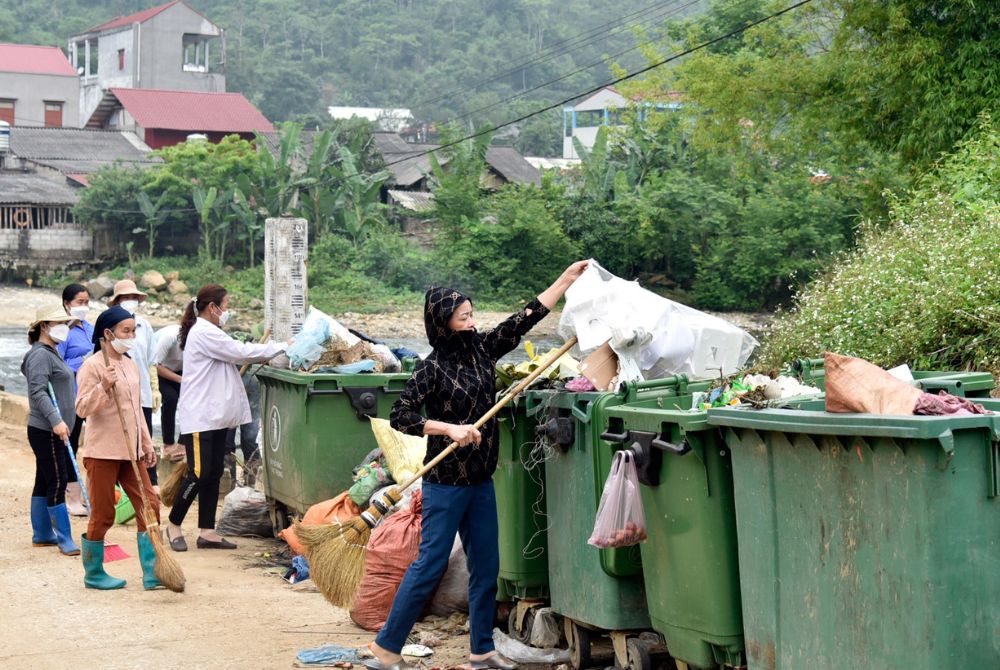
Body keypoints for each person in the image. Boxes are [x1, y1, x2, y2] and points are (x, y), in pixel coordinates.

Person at [370, 260, 590, 670]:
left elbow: (522, 319)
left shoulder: (481, 350)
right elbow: (400, 415)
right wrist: (449, 429)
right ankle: (385, 648)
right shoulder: (431, 368)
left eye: (472, 315)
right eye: (463, 317)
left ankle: (482, 650)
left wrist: (564, 279)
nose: (472, 322)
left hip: (481, 479)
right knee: (431, 563)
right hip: (446, 484)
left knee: (487, 566)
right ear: (444, 323)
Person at [166, 284, 286, 551]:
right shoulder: (204, 332)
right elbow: (241, 352)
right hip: (200, 416)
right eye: (226, 306)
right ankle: (173, 525)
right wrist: (280, 347)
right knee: (198, 473)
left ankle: (207, 531)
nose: (227, 311)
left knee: (213, 472)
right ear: (212, 308)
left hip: (216, 416)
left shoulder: (211, 331)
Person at [74, 306, 161, 590]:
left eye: (134, 330)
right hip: (103, 453)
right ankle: (94, 573)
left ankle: (153, 571)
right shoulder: (93, 366)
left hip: (132, 452)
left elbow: (137, 410)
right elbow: (82, 408)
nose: (132, 336)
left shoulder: (130, 363)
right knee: (103, 514)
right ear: (108, 333)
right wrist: (103, 387)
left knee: (150, 505)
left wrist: (147, 444)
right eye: (127, 331)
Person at [21, 305, 80, 556]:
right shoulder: (40, 355)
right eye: (59, 322)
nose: (64, 327)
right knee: (57, 478)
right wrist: (56, 420)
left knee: (44, 478)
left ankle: (43, 533)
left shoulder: (50, 351)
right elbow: (37, 391)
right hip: (48, 429)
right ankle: (64, 537)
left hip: (53, 429)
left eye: (66, 323)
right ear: (44, 325)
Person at [107, 280, 160, 492]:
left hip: (143, 392)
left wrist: (155, 387)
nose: (131, 301)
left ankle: (151, 481)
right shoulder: (109, 326)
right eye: (126, 298)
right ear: (118, 301)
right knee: (120, 438)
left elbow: (151, 360)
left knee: (145, 437)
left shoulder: (144, 326)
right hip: (119, 392)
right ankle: (120, 485)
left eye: (133, 298)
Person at [56, 283, 93, 517]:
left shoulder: (92, 328)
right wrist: (83, 364)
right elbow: (56, 365)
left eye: (86, 302)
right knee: (71, 442)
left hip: (95, 394)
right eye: (79, 302)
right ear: (67, 304)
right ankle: (71, 495)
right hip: (73, 395)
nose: (84, 306)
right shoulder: (61, 332)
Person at [152, 323, 184, 461]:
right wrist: (180, 379)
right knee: (171, 399)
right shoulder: (170, 337)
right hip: (159, 369)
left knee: (192, 400)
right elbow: (155, 365)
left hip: (181, 370)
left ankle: (183, 442)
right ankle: (168, 443)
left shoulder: (200, 340)